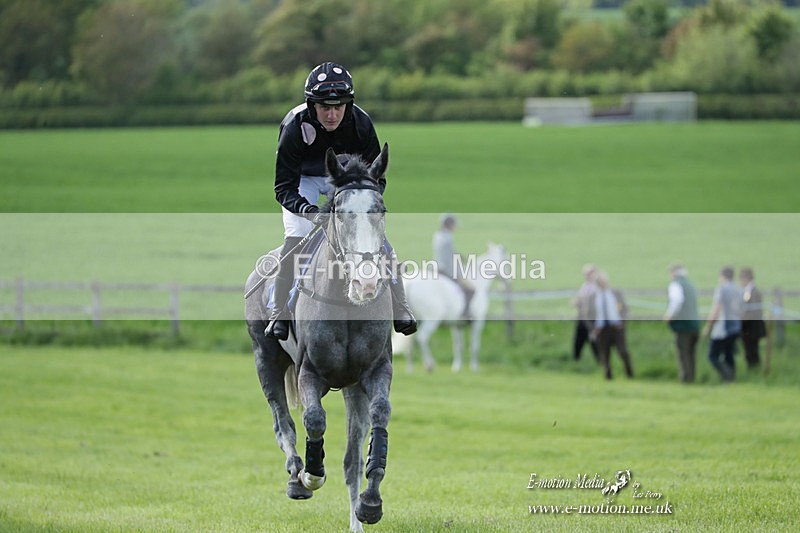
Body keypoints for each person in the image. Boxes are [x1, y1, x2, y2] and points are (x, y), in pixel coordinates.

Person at [266, 61, 416, 340]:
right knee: (296, 236)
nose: (332, 114)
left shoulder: (361, 122)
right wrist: (309, 212)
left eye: (338, 107)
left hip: (347, 181)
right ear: (312, 105)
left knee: (373, 236)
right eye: (325, 107)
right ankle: (279, 312)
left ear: (348, 104)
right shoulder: (294, 125)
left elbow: (377, 178)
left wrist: (362, 206)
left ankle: (401, 306)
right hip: (304, 181)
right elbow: (283, 187)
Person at [588, 272, 633, 380]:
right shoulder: (593, 297)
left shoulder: (615, 293)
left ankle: (630, 373)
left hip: (616, 327)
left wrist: (622, 322)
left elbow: (625, 309)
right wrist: (593, 328)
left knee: (623, 351)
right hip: (601, 329)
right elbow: (589, 314)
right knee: (604, 354)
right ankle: (608, 375)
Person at [703, 266, 742, 382]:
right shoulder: (738, 290)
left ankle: (727, 375)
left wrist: (708, 326)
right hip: (735, 326)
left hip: (722, 328)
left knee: (712, 355)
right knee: (729, 353)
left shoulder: (721, 289)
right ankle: (732, 378)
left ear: (722, 276)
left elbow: (716, 309)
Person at [663, 263, 701, 383]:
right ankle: (692, 376)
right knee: (691, 353)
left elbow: (677, 301)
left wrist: (669, 315)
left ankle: (686, 378)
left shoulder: (676, 285)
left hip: (683, 325)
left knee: (683, 352)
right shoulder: (691, 285)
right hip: (695, 324)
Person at [432, 214, 474, 316]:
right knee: (470, 289)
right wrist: (458, 274)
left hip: (436, 268)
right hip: (447, 270)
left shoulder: (438, 235)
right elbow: (449, 258)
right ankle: (465, 314)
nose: (456, 227)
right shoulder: (447, 238)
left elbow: (449, 253)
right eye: (454, 225)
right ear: (450, 225)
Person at [739, 267, 766, 369]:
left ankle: (754, 370)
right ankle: (753, 369)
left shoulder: (752, 292)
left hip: (751, 328)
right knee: (750, 350)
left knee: (752, 351)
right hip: (750, 327)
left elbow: (752, 311)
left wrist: (742, 321)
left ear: (746, 278)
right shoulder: (750, 291)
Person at [572, 264, 599, 361]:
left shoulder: (597, 287)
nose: (587, 276)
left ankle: (601, 362)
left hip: (592, 319)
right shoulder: (585, 286)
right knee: (578, 340)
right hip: (582, 318)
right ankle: (575, 361)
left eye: (589, 273)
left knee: (594, 340)